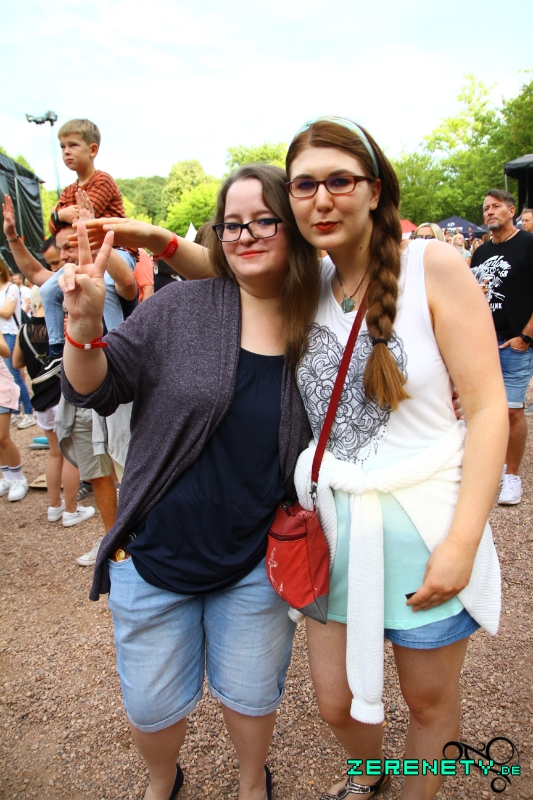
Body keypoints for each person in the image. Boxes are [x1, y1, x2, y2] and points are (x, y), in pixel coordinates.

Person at [81, 119, 507, 799]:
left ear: (375, 189)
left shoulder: (434, 266)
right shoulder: (310, 284)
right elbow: (232, 271)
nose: (322, 198)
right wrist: (156, 240)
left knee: (428, 704)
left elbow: (487, 410)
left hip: (427, 523)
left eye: (340, 180)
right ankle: (372, 773)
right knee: (336, 704)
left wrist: (462, 541)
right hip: (334, 529)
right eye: (305, 184)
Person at [60, 165, 319, 800]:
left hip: (256, 558)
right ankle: (161, 783)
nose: (245, 235)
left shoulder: (319, 324)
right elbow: (97, 387)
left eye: (264, 220)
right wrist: (84, 331)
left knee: (253, 694)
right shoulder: (179, 307)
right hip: (154, 552)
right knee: (150, 705)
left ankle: (252, 783)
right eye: (232, 224)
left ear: (294, 228)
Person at [42, 118, 137, 366]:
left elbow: (81, 217)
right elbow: (55, 228)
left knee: (106, 284)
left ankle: (118, 345)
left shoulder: (102, 180)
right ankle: (56, 348)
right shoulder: (69, 190)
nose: (66, 152)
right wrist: (58, 216)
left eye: (73, 145)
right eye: (62, 147)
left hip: (117, 250)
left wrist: (60, 214)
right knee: (48, 290)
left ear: (92, 149)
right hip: (88, 254)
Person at [12, 285, 95, 526]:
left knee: (54, 453)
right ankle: (71, 510)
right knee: (71, 455)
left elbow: (17, 362)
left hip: (40, 399)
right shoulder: (64, 326)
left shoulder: (23, 331)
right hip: (63, 396)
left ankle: (54, 506)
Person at [471, 189, 533, 505]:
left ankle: (512, 477)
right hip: (484, 341)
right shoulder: (481, 252)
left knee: (511, 410)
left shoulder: (528, 244)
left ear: (511, 211)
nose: (489, 212)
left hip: (515, 341)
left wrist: (526, 337)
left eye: (496, 206)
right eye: (486, 208)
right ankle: (493, 466)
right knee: (485, 409)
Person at [0, 257, 35, 429]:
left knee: (15, 376)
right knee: (6, 378)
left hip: (11, 334)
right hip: (1, 335)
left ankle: (28, 412)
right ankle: (15, 411)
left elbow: (7, 312)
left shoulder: (11, 287)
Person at [0, 331, 28, 501]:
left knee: (2, 437)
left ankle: (18, 479)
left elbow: (5, 351)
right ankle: (7, 477)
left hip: (2, 387)